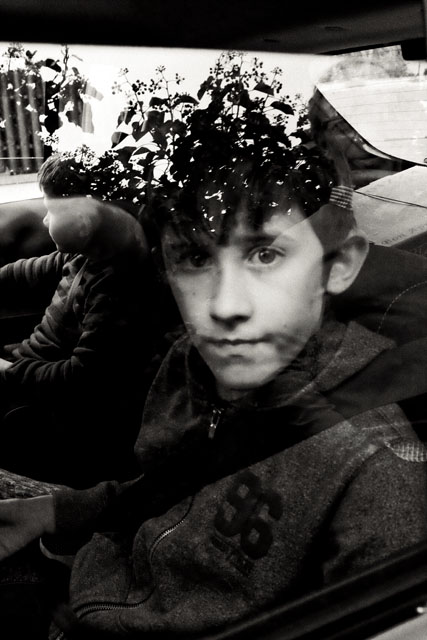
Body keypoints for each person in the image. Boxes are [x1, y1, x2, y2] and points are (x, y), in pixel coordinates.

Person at [0, 101, 426, 640]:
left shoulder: (375, 477)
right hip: (98, 579)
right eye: (196, 260)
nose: (225, 306)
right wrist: (55, 511)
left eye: (265, 255)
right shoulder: (190, 364)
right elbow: (163, 487)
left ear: (337, 266)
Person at [0, 152, 153, 487]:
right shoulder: (86, 252)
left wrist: (10, 371)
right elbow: (32, 270)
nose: (44, 221)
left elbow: (80, 378)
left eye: (51, 211)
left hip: (41, 398)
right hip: (26, 365)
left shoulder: (115, 286)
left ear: (82, 220)